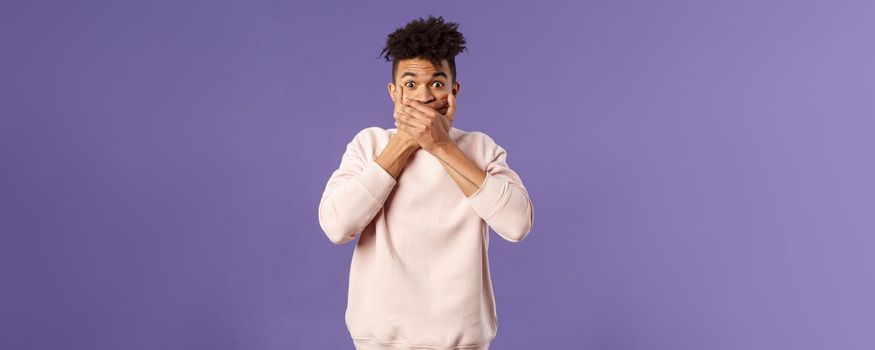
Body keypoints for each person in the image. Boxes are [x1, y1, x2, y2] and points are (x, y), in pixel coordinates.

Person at [317, 15, 534, 350]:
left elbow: (517, 224)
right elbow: (337, 225)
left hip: (463, 343)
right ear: (393, 92)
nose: (423, 96)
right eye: (410, 84)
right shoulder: (369, 145)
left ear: (453, 90)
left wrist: (441, 146)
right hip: (379, 342)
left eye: (436, 83)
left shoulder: (480, 148)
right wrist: (404, 142)